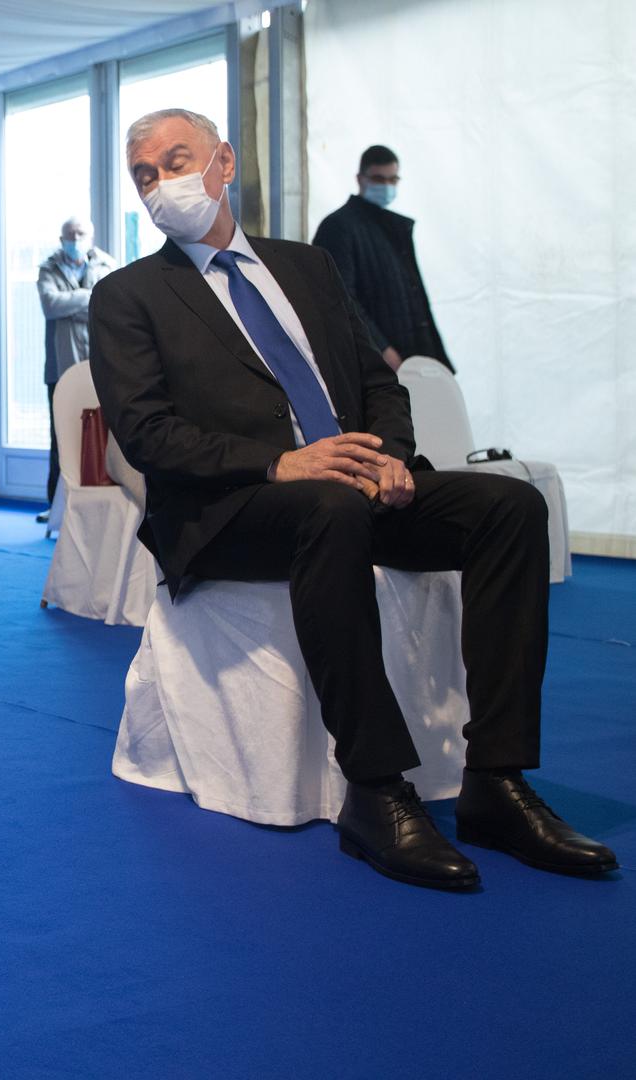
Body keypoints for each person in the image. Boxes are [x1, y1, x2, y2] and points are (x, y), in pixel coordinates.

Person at [91, 107, 615, 891]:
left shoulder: (306, 266)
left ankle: (496, 781)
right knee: (328, 509)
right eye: (144, 176)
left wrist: (390, 459)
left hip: (352, 485)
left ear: (224, 163)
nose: (162, 184)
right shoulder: (128, 295)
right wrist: (281, 465)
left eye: (177, 161)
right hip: (232, 509)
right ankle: (374, 790)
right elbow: (147, 435)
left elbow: (378, 382)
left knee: (510, 508)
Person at [312, 145, 451, 372]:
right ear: (360, 179)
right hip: (373, 363)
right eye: (378, 179)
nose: (386, 186)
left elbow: (412, 296)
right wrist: (381, 349)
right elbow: (339, 297)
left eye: (393, 179)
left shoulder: (393, 228)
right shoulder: (339, 227)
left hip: (408, 357)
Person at [37, 217, 118, 516]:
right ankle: (55, 507)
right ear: (61, 240)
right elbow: (50, 306)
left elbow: (110, 306)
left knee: (103, 432)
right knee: (61, 438)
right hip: (61, 369)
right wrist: (89, 298)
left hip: (101, 366)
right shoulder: (48, 268)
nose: (75, 239)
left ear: (91, 236)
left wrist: (71, 306)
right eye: (69, 235)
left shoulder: (107, 265)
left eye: (80, 234)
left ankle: (98, 500)